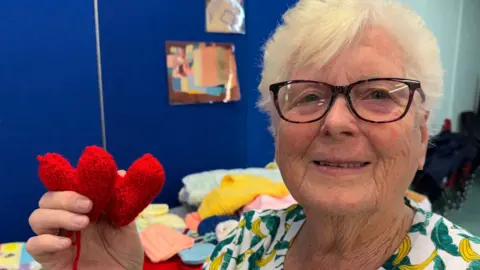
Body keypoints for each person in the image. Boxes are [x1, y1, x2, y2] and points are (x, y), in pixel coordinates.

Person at [26, 0, 480, 269]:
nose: (337, 122)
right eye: (307, 97)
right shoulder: (245, 241)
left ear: (422, 138)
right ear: (277, 131)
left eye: (379, 93)